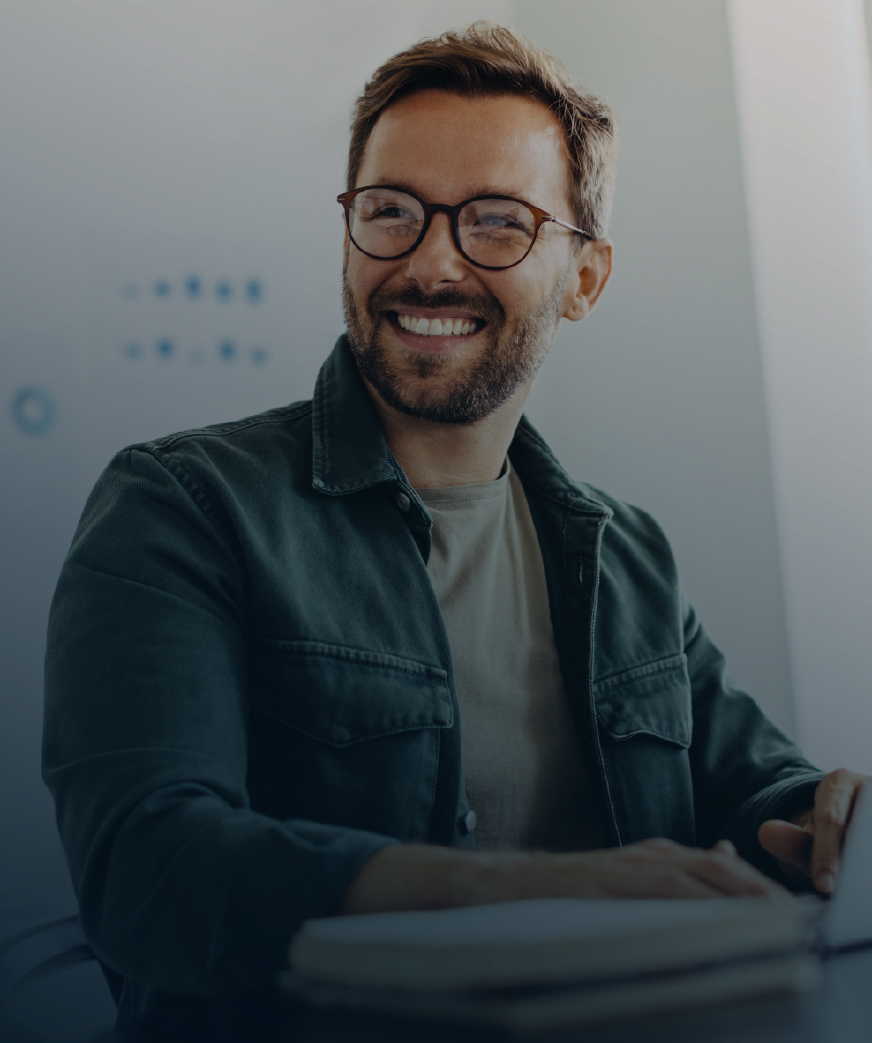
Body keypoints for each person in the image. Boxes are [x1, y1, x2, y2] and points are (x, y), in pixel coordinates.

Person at [43, 22, 864, 1027]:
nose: (430, 264)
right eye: (392, 212)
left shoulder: (627, 553)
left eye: (496, 222)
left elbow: (753, 788)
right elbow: (147, 871)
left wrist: (831, 813)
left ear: (586, 278)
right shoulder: (183, 504)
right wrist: (536, 888)